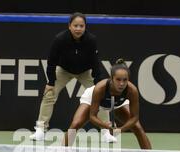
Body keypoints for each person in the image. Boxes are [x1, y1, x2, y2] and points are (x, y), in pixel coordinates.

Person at [48, 59, 162, 152]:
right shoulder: (100, 88)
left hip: (118, 104)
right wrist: (106, 126)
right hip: (92, 100)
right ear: (111, 78)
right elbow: (92, 116)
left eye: (125, 80)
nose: (122, 83)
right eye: (118, 79)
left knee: (138, 128)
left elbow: (135, 117)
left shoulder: (132, 90)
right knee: (75, 125)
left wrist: (120, 130)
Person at [30, 12, 116, 143]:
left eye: (81, 26)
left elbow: (96, 63)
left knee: (101, 96)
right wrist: (51, 82)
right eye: (75, 25)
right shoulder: (60, 39)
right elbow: (51, 62)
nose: (78, 29)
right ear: (69, 26)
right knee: (49, 94)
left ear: (85, 27)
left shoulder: (91, 40)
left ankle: (106, 132)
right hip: (64, 70)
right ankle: (41, 130)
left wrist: (98, 85)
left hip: (85, 72)